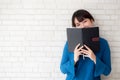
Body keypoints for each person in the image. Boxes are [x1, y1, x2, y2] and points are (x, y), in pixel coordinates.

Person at [60, 9, 111, 80]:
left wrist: (94, 58)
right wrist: (74, 59)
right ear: (75, 27)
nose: (82, 26)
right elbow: (63, 69)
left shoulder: (103, 43)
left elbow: (107, 71)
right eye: (78, 24)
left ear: (92, 21)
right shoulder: (69, 43)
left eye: (85, 21)